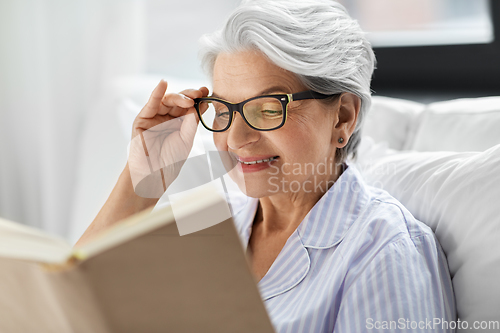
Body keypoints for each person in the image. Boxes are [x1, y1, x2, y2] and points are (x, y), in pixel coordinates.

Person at [76, 0, 456, 331]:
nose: (236, 139)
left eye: (269, 108)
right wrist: (143, 177)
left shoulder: (385, 252)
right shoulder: (211, 221)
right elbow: (72, 301)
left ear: (341, 117)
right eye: (223, 109)